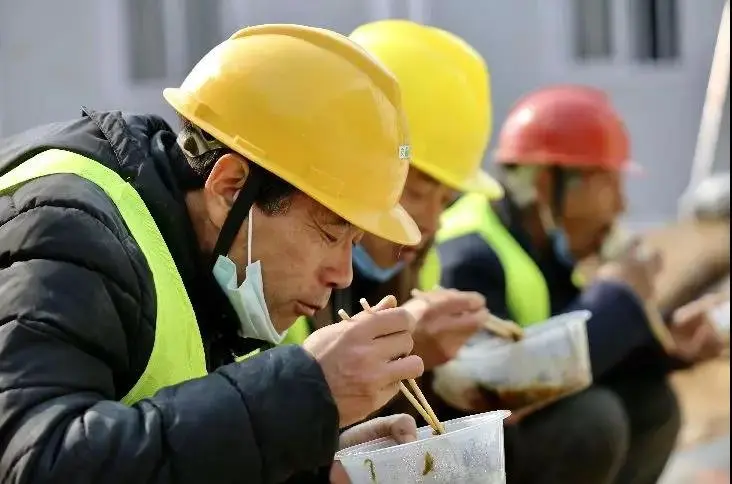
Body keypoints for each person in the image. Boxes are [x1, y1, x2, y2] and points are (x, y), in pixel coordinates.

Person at [0, 24, 428, 484]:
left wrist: (316, 461)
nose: (343, 275)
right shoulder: (65, 229)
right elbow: (36, 464)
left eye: (355, 243)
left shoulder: (218, 275)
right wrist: (296, 397)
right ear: (230, 187)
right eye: (330, 233)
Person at [430, 85, 725, 483]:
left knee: (651, 404)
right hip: (457, 454)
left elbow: (579, 360)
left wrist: (670, 343)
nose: (621, 206)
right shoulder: (469, 252)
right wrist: (617, 296)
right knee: (591, 420)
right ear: (548, 183)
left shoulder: (537, 245)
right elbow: (497, 388)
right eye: (607, 185)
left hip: (507, 443)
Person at [279, 19, 506, 425]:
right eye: (416, 191)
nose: (430, 221)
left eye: (448, 200)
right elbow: (266, 437)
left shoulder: (421, 262)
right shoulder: (270, 261)